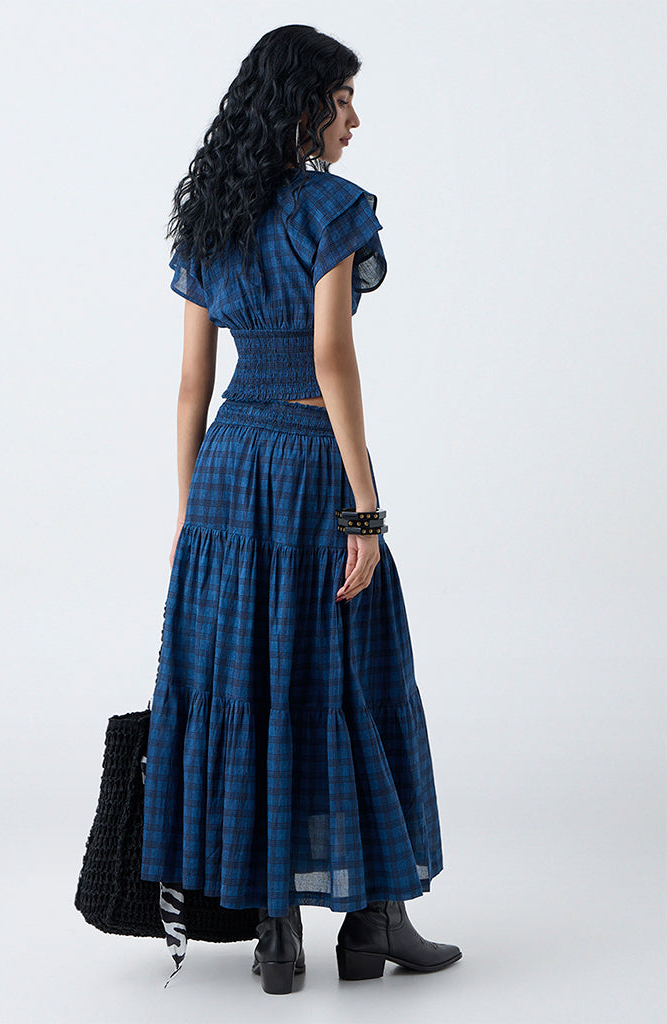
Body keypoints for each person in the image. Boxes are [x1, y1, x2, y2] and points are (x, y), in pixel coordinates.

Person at [140, 24, 462, 994]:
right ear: (305, 103)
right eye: (343, 99)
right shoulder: (332, 210)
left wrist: (189, 516)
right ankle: (374, 922)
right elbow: (331, 359)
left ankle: (276, 932)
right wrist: (366, 508)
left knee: (255, 678)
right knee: (352, 672)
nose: (353, 119)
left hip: (230, 468)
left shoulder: (210, 214)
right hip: (313, 463)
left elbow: (191, 385)